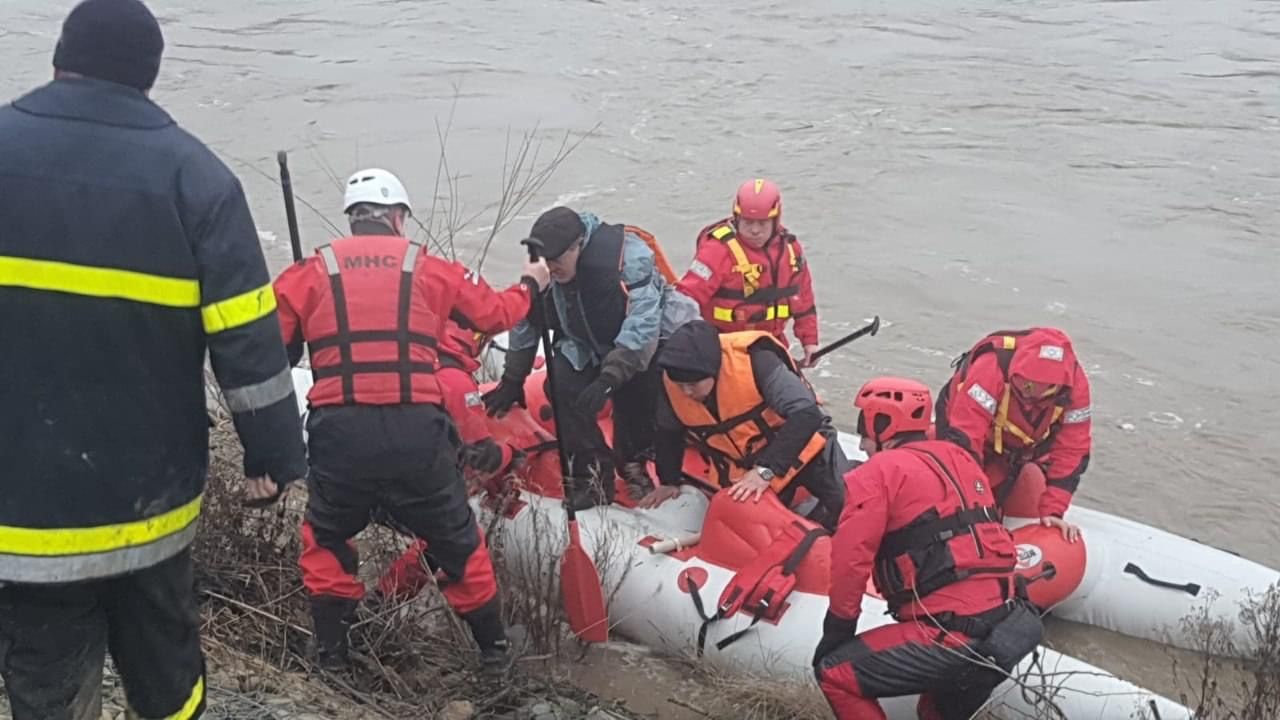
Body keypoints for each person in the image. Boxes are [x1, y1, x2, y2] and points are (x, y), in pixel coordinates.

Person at [0, 1, 308, 718]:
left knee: (45, 678)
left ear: (57, 60)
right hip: (149, 505)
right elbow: (249, 340)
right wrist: (272, 456)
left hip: (24, 508)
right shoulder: (197, 180)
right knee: (168, 676)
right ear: (150, 77)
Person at [273, 167, 551, 670]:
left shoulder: (309, 272)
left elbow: (273, 352)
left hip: (340, 433)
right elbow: (495, 315)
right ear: (398, 218)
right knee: (456, 537)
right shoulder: (429, 268)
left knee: (327, 536)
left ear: (353, 220)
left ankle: (333, 655)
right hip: (415, 432)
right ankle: (494, 653)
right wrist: (530, 284)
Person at [813, 377, 1044, 720]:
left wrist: (837, 632)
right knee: (933, 711)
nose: (861, 444)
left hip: (951, 635)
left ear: (882, 424)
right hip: (1006, 629)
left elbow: (851, 560)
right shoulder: (961, 460)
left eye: (864, 430)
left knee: (835, 673)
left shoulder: (879, 472)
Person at [481, 206, 698, 509]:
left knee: (636, 390)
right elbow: (525, 319)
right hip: (586, 340)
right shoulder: (544, 268)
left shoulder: (629, 257)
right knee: (561, 385)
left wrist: (609, 378)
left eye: (557, 260)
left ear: (578, 246)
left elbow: (644, 325)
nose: (551, 268)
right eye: (547, 261)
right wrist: (513, 378)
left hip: (645, 341)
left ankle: (633, 461)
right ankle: (593, 475)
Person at [641, 320, 847, 530]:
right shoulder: (671, 381)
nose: (686, 392)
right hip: (743, 463)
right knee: (751, 530)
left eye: (692, 385)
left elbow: (806, 413)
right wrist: (668, 481)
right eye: (680, 386)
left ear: (713, 370)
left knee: (843, 503)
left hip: (803, 448)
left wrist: (766, 471)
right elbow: (669, 434)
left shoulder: (756, 360)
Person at [935, 327, 1090, 542]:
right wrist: (973, 506)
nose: (1030, 392)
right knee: (954, 493)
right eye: (1026, 385)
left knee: (1004, 489)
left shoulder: (1074, 386)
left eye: (1039, 388)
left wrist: (1053, 511)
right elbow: (965, 439)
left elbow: (1073, 450)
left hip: (1017, 440)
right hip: (963, 423)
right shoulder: (992, 366)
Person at [677, 178, 821, 367]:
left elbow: (803, 301)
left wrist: (810, 342)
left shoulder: (791, 251)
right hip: (723, 347)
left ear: (775, 220)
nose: (754, 230)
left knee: (795, 392)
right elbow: (686, 298)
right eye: (748, 222)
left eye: (762, 223)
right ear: (737, 218)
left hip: (770, 346)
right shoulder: (717, 250)